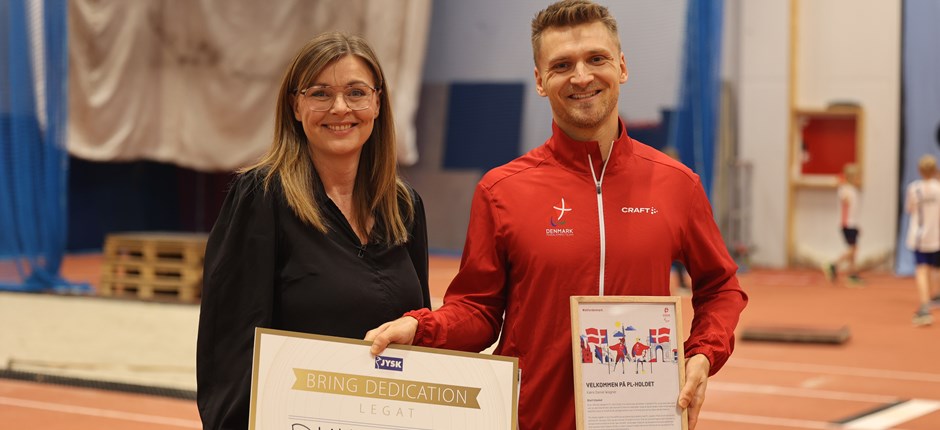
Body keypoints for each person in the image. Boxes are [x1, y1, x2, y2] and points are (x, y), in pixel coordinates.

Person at [366, 2, 748, 429]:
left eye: (596, 59)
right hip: (533, 419)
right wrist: (422, 328)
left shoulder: (677, 185)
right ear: (541, 80)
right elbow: (478, 310)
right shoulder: (501, 191)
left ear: (621, 67)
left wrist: (702, 353)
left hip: (642, 419)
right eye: (562, 64)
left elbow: (721, 287)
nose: (581, 77)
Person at [196, 32, 430, 430]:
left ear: (377, 103)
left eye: (356, 93)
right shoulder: (261, 196)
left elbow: (421, 329)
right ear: (296, 106)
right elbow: (230, 346)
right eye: (320, 93)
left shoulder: (404, 206)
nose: (340, 108)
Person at [905, 155, 940, 326]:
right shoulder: (939, 188)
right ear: (934, 170)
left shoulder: (914, 188)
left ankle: (925, 306)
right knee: (935, 267)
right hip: (936, 236)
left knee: (921, 269)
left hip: (920, 236)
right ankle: (935, 295)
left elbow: (909, 209)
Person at [825, 163, 863, 285]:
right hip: (847, 224)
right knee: (853, 249)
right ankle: (833, 264)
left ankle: (852, 274)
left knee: (854, 249)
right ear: (852, 177)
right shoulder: (845, 189)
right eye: (858, 176)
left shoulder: (852, 189)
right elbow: (844, 202)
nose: (859, 179)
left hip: (853, 223)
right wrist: (842, 184)